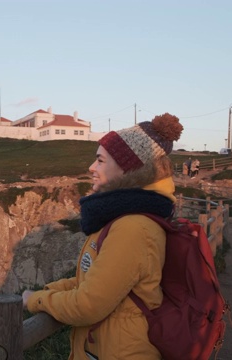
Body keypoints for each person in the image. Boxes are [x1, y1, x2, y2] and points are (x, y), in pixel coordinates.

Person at [22, 113, 183, 360]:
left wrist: (37, 301)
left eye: (100, 160)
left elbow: (88, 305)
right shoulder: (124, 216)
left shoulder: (133, 227)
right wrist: (48, 290)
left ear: (128, 169)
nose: (91, 168)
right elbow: (91, 280)